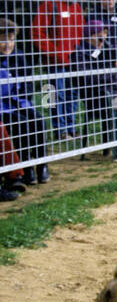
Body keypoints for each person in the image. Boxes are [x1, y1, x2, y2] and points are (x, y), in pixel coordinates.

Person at [31, 0, 84, 140]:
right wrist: (55, 52)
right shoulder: (48, 5)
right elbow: (37, 33)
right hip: (55, 61)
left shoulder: (76, 6)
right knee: (57, 94)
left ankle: (71, 126)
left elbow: (81, 31)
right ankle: (60, 130)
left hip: (73, 60)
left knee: (72, 94)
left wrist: (79, 52)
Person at [0, 17, 50, 184]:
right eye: (3, 40)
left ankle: (42, 164)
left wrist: (22, 98)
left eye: (11, 39)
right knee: (21, 124)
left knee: (38, 120)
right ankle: (26, 166)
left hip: (19, 102)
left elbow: (28, 84)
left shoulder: (19, 57)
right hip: (3, 108)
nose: (8, 44)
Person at [70, 19, 117, 158]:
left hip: (114, 94)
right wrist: (111, 70)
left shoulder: (106, 50)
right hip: (98, 98)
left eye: (105, 34)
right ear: (90, 35)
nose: (103, 38)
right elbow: (89, 80)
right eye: (99, 35)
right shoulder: (79, 54)